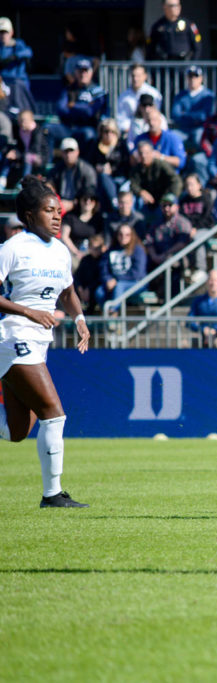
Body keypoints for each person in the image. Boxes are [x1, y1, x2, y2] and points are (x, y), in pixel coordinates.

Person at [0, 176, 91, 508]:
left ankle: (53, 494)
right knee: (53, 413)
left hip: (39, 341)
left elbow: (68, 293)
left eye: (59, 211)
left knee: (17, 431)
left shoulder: (60, 252)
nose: (56, 217)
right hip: (13, 335)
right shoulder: (13, 248)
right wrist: (30, 312)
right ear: (28, 215)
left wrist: (80, 320)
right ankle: (52, 494)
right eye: (48, 210)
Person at [98, 224, 147, 309]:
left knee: (119, 286)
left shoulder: (138, 250)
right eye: (120, 234)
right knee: (99, 292)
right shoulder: (111, 250)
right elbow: (103, 268)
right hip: (113, 281)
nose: (123, 237)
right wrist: (108, 279)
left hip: (135, 282)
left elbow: (137, 273)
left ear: (132, 236)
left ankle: (113, 313)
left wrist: (116, 280)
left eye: (127, 235)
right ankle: (108, 313)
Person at [116, 65, 163, 134]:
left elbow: (156, 115)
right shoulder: (124, 96)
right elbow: (122, 119)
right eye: (133, 76)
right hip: (128, 133)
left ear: (145, 76)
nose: (135, 79)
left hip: (150, 131)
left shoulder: (154, 93)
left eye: (138, 76)